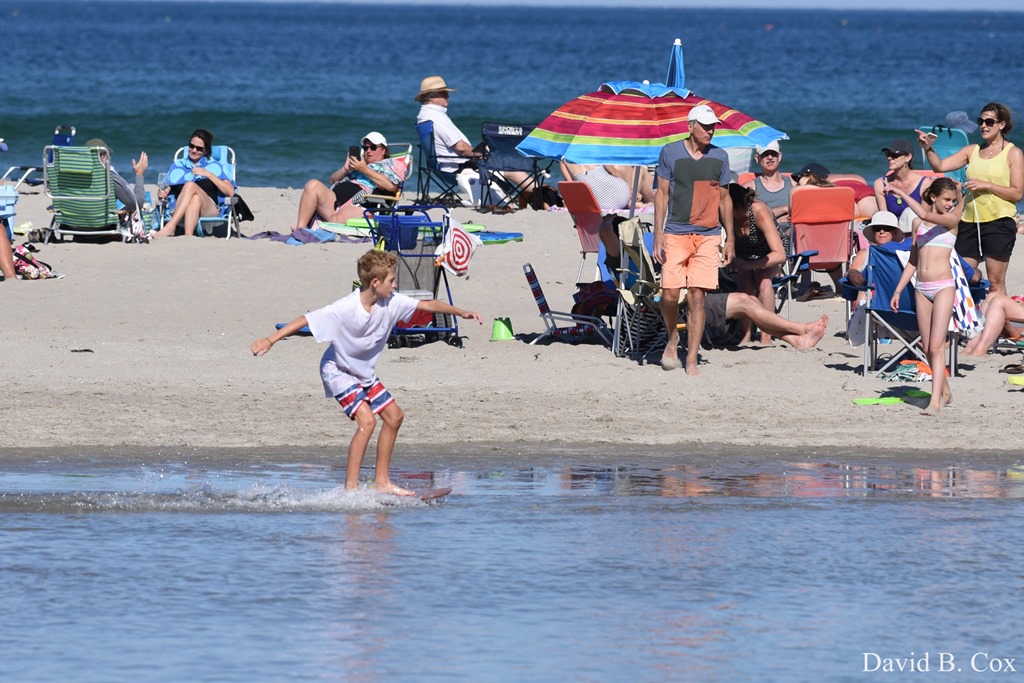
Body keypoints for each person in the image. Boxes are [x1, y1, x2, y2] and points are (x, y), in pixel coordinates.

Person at [251, 249, 483, 495]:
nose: (395, 285)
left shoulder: (392, 301)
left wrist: (460, 312)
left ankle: (382, 482)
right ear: (375, 282)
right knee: (367, 421)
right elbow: (306, 319)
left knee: (394, 417)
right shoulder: (346, 308)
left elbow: (428, 304)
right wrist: (270, 340)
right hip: (338, 369)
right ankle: (351, 489)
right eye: (391, 281)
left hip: (362, 372)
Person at [653, 103, 733, 375]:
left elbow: (724, 199)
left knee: (697, 296)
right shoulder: (670, 153)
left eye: (713, 127)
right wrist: (658, 235)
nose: (710, 131)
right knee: (669, 295)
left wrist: (730, 239)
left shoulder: (720, 157)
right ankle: (673, 335)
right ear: (690, 126)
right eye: (705, 126)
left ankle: (691, 358)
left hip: (708, 235)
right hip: (675, 232)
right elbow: (662, 195)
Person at [917, 102, 1024, 297]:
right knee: (963, 276)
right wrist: (928, 148)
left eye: (989, 122)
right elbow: (939, 167)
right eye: (981, 121)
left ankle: (1002, 317)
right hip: (969, 221)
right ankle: (973, 314)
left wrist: (987, 185)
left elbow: (1017, 194)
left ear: (1001, 125)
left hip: (999, 222)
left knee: (995, 283)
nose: (983, 125)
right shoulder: (972, 150)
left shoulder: (1013, 153)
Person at [888, 177, 963, 415]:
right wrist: (898, 289)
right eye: (946, 199)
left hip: (943, 287)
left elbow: (925, 213)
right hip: (921, 287)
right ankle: (946, 392)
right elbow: (913, 260)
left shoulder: (951, 221)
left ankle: (935, 402)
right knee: (928, 347)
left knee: (937, 346)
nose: (950, 204)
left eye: (953, 200)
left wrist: (900, 192)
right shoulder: (918, 223)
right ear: (933, 197)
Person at [294, 132, 406, 229]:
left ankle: (320, 224)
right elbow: (332, 180)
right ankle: (300, 229)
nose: (368, 151)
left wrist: (364, 169)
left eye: (373, 147)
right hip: (334, 200)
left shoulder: (392, 164)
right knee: (312, 185)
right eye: (365, 148)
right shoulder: (360, 164)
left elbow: (391, 186)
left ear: (384, 150)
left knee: (335, 220)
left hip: (361, 205)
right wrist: (345, 169)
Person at [727, 182, 786, 344]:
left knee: (763, 282)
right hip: (744, 254)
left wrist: (749, 265)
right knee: (744, 286)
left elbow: (780, 255)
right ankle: (745, 333)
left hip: (769, 252)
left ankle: (766, 335)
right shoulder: (726, 216)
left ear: (735, 207)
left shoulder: (758, 211)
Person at [152, 129, 235, 238]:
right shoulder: (178, 165)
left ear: (206, 151)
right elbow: (169, 187)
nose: (194, 150)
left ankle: (171, 227)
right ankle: (188, 237)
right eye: (191, 146)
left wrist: (208, 174)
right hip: (181, 207)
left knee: (190, 185)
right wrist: (163, 192)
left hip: (209, 209)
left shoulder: (214, 166)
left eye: (199, 148)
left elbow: (230, 192)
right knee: (195, 199)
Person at [702, 291, 829, 350]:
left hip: (699, 299)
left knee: (752, 299)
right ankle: (801, 329)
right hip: (694, 306)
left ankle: (796, 340)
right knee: (744, 301)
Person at [415, 76, 480, 173]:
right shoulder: (436, 117)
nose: (447, 96)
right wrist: (482, 154)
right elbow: (461, 147)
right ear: (431, 97)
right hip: (460, 169)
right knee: (501, 164)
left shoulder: (423, 116)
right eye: (443, 93)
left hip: (445, 169)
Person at [84, 138, 148, 215]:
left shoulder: (73, 177)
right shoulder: (109, 178)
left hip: (74, 221)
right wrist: (139, 175)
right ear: (103, 157)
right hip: (102, 222)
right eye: (108, 156)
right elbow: (138, 203)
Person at [872, 138, 933, 219]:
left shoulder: (925, 184)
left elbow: (926, 218)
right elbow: (884, 218)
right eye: (888, 154)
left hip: (916, 226)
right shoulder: (880, 184)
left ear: (908, 157)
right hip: (891, 226)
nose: (889, 158)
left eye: (895, 155)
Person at [745, 140, 793, 239]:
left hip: (792, 233)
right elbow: (747, 218)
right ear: (757, 159)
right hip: (765, 237)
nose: (770, 157)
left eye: (773, 154)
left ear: (779, 156)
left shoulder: (793, 184)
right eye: (765, 154)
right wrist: (783, 210)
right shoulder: (750, 187)